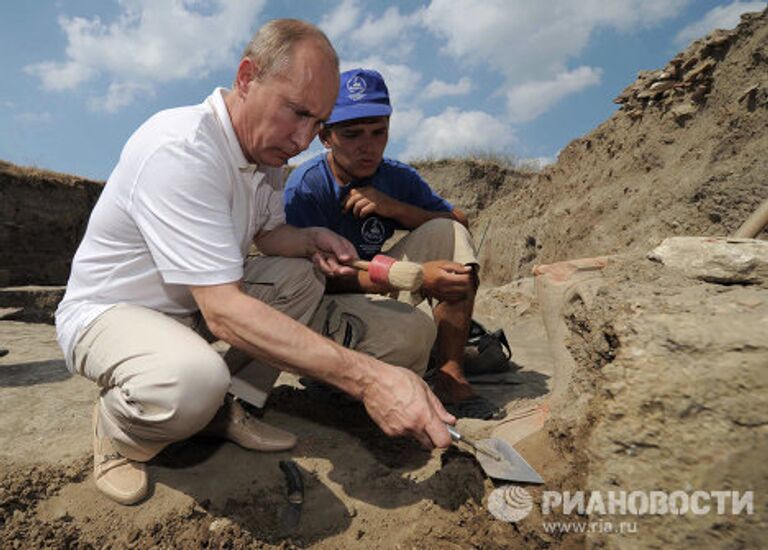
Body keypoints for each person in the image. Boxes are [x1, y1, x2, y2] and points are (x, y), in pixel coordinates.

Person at [55, 20, 454, 507]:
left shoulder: (263, 154)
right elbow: (223, 310)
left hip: (184, 310)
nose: (304, 139)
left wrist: (310, 238)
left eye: (317, 121)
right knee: (192, 381)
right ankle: (119, 430)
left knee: (300, 276)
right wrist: (369, 378)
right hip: (110, 313)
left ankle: (228, 409)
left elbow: (265, 235)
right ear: (247, 77)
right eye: (298, 113)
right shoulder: (181, 149)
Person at [284, 68, 505, 420]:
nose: (368, 146)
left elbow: (459, 223)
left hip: (371, 285)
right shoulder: (306, 188)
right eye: (352, 134)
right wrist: (411, 275)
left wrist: (395, 208)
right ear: (325, 136)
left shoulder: (395, 176)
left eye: (378, 132)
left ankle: (449, 374)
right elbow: (309, 280)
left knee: (448, 233)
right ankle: (331, 375)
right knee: (413, 336)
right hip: (320, 301)